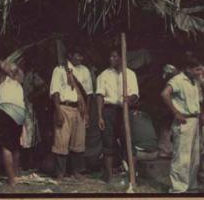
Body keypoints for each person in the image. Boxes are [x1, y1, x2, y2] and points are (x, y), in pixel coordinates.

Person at [160, 56, 204, 193]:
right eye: (196, 69)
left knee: (194, 157)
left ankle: (191, 185)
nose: (199, 72)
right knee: (181, 157)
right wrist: (176, 112)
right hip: (184, 122)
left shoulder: (195, 79)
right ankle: (178, 189)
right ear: (188, 68)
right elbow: (165, 94)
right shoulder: (177, 80)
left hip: (195, 120)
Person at [95, 49, 140, 183]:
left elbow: (135, 95)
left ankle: (132, 176)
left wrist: (129, 99)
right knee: (108, 142)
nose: (111, 59)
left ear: (121, 58)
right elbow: (100, 96)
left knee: (128, 142)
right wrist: (100, 116)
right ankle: (108, 176)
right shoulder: (103, 75)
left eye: (115, 56)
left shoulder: (130, 74)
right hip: (109, 111)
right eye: (110, 56)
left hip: (125, 110)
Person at [49, 49, 88, 181]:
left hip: (79, 108)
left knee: (78, 141)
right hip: (64, 107)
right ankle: (60, 173)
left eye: (81, 55)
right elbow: (55, 91)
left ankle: (77, 171)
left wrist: (86, 112)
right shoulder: (60, 70)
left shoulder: (84, 71)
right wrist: (58, 111)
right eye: (78, 54)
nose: (80, 58)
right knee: (61, 140)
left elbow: (86, 94)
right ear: (70, 55)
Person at [0, 60, 26, 186]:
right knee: (12, 146)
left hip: (14, 112)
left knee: (10, 146)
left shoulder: (17, 76)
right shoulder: (0, 76)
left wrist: (7, 66)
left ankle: (12, 178)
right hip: (9, 111)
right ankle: (13, 176)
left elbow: (18, 73)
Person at [19, 59, 46, 170]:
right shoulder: (13, 75)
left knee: (29, 135)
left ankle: (29, 162)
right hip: (16, 107)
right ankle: (22, 162)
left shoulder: (31, 75)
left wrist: (34, 95)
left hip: (28, 108)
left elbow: (44, 87)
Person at [157, 64, 179, 158]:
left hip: (175, 110)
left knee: (172, 130)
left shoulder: (178, 81)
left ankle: (169, 150)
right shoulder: (168, 82)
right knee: (166, 129)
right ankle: (165, 150)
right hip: (169, 110)